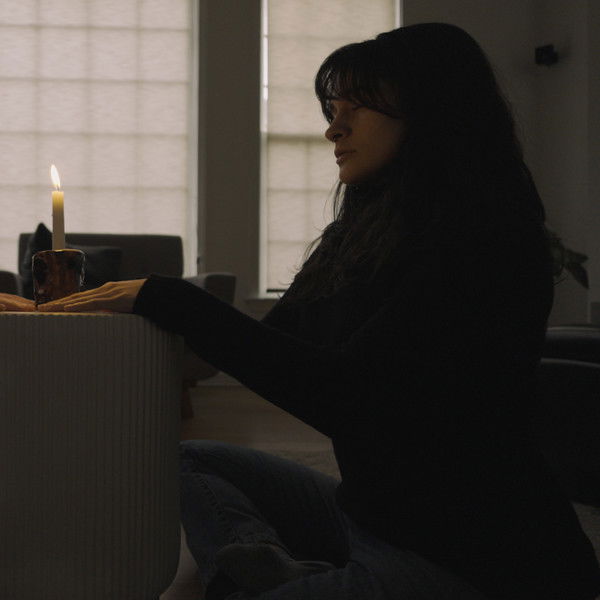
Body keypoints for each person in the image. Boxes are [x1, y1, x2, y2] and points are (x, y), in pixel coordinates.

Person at [2, 22, 600, 600]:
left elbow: (343, 395)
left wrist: (166, 296)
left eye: (355, 109)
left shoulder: (488, 242)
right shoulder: (368, 233)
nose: (333, 130)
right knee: (191, 461)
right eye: (332, 111)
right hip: (370, 518)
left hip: (466, 557)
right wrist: (78, 314)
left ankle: (259, 581)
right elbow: (269, 346)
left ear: (429, 111)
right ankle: (262, 565)